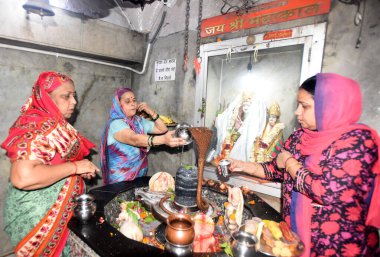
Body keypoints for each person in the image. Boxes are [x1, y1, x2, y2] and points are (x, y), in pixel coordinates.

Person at [220, 73, 380, 256]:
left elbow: (328, 192)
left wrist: (290, 163)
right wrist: (239, 165)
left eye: (304, 106)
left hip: (338, 245)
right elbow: (274, 169)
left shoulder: (358, 141)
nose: (297, 112)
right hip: (296, 238)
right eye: (298, 105)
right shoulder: (300, 137)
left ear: (329, 106)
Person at [1, 71, 100, 257]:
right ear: (46, 98)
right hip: (38, 219)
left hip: (61, 212)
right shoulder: (35, 126)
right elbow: (23, 177)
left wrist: (76, 170)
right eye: (66, 96)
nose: (74, 102)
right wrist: (76, 167)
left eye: (74, 96)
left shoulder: (56, 124)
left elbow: (55, 162)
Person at [100, 87, 186, 185]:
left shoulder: (138, 121)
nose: (133, 104)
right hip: (120, 179)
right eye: (127, 101)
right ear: (119, 106)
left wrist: (151, 112)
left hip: (139, 175)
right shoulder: (115, 124)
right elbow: (134, 139)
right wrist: (163, 139)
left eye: (134, 100)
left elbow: (162, 129)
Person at [213, 91, 267, 165]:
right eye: (244, 104)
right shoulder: (237, 115)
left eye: (248, 104)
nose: (246, 107)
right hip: (234, 143)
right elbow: (232, 127)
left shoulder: (254, 120)